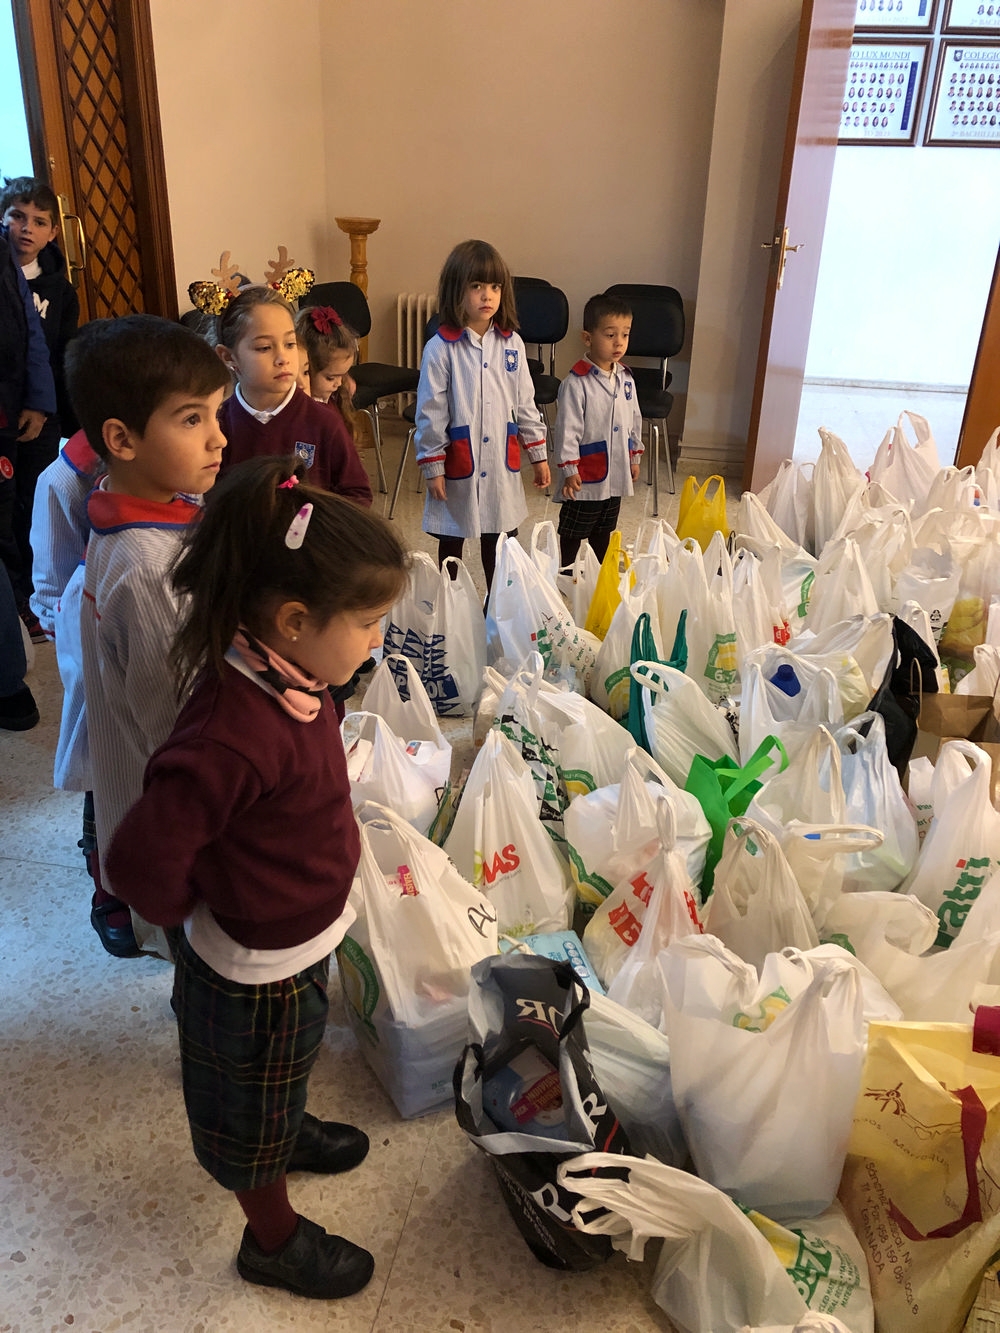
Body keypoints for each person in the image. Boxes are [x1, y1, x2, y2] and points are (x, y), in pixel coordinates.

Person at [106, 455, 409, 1300]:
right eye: (369, 623)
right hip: (251, 970)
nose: (378, 640)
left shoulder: (296, 672)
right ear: (293, 619)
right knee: (245, 1113)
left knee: (283, 1069)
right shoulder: (230, 734)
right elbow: (139, 861)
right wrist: (196, 914)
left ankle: (287, 1123)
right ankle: (272, 1238)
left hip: (295, 943)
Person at [66, 314, 231, 959]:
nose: (218, 437)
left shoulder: (137, 507)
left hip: (146, 807)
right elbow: (181, 730)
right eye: (192, 419)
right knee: (201, 957)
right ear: (121, 438)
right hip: (178, 825)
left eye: (216, 414)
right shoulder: (150, 568)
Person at [414, 239, 549, 593]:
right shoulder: (440, 348)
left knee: (501, 539)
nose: (487, 295)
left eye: (494, 287)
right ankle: (452, 600)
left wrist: (538, 455)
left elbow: (525, 403)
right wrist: (433, 466)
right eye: (476, 286)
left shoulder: (512, 344)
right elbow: (430, 413)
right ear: (455, 290)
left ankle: (500, 603)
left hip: (499, 461)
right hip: (459, 460)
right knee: (452, 538)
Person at [200, 284, 371, 504]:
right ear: (228, 356)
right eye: (264, 347)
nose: (283, 358)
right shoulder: (218, 426)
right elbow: (203, 498)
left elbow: (358, 494)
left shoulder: (324, 422)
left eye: (290, 344)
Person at [27, 428, 104, 904]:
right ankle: (103, 866)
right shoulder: (62, 479)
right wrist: (77, 658)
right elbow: (53, 587)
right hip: (94, 644)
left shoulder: (192, 467)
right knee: (100, 755)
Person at [1, 176, 80, 635]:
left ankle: (41, 592)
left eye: (39, 221)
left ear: (53, 232)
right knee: (7, 503)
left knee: (36, 501)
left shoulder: (60, 290)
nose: (26, 228)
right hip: (5, 405)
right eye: (17, 216)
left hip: (41, 410)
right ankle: (14, 596)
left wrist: (49, 409)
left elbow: (57, 352)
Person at [553, 293, 644, 567]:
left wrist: (634, 456)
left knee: (604, 527)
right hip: (585, 474)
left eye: (625, 334)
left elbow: (634, 419)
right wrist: (570, 469)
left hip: (615, 469)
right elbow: (567, 431)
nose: (619, 342)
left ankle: (600, 570)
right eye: (610, 335)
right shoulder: (576, 383)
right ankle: (567, 570)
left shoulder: (626, 379)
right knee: (574, 529)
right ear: (587, 337)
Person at [0, 229, 56, 628]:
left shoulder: (3, 253)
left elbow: (29, 331)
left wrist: (38, 400)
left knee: (12, 509)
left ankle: (20, 600)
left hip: (7, 404)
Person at [294, 303, 359, 435]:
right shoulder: (304, 413)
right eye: (331, 378)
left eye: (343, 374)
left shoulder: (332, 399)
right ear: (307, 369)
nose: (339, 383)